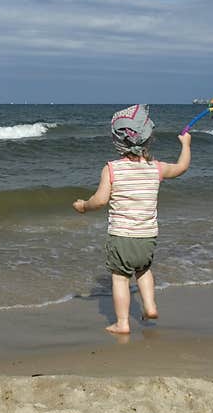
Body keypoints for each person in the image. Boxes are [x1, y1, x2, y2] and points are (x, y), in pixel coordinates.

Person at [72, 104, 191, 334]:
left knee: (119, 278)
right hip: (147, 236)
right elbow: (182, 167)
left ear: (117, 140)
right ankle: (150, 305)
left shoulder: (112, 169)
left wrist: (84, 206)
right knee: (144, 271)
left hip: (121, 237)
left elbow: (99, 200)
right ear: (148, 138)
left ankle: (122, 323)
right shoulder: (156, 168)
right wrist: (185, 145)